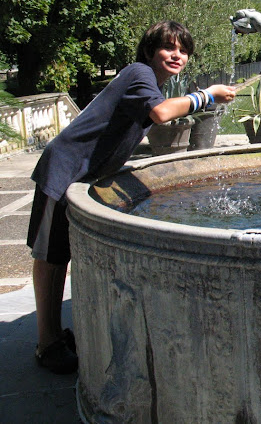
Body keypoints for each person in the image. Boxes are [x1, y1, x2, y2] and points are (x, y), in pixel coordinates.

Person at [27, 20, 237, 374]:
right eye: (169, 47)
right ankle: (46, 343)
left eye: (183, 50)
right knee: (51, 257)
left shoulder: (148, 81)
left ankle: (55, 334)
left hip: (80, 172)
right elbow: (161, 114)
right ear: (150, 51)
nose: (177, 55)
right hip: (64, 168)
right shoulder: (139, 73)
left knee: (61, 253)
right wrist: (209, 95)